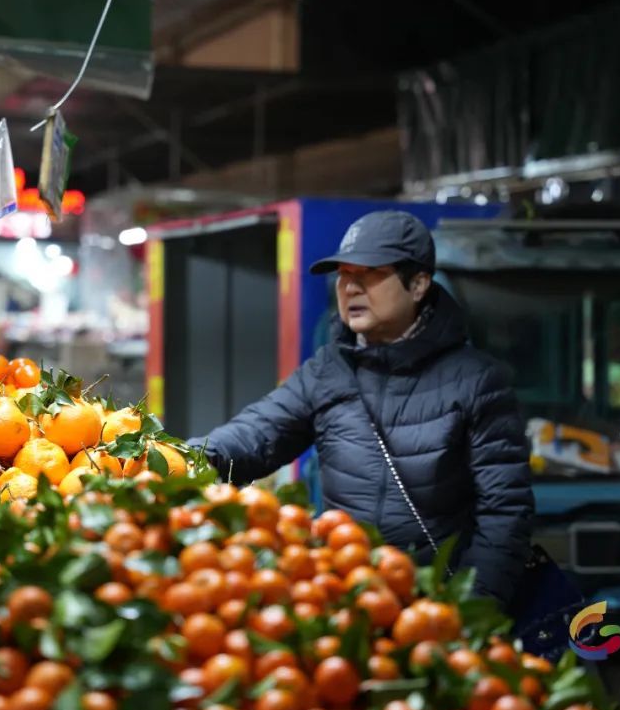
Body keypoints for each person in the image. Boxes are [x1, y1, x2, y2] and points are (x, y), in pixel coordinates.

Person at [193, 210, 534, 605]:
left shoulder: (477, 381)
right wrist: (182, 459)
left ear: (419, 284)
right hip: (347, 596)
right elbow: (257, 433)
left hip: (433, 603)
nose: (350, 288)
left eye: (369, 273)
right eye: (343, 275)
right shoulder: (328, 370)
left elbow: (505, 513)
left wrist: (473, 608)